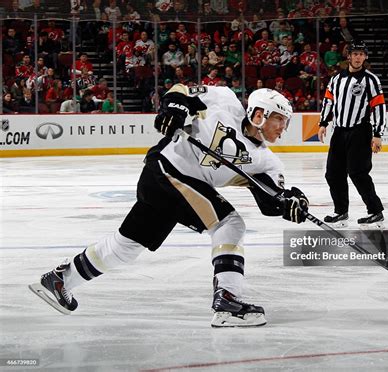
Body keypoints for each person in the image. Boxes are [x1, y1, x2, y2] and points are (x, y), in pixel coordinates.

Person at [29, 84, 309, 327]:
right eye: (280, 120)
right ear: (259, 115)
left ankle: (62, 279)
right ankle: (228, 300)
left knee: (126, 246)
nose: (284, 128)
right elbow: (181, 91)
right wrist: (174, 109)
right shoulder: (223, 101)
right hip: (165, 171)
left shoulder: (267, 162)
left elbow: (272, 200)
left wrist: (292, 202)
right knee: (229, 224)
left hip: (172, 187)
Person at [318, 40, 386, 228]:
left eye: (361, 54)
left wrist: (378, 133)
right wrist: (323, 122)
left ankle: (375, 211)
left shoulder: (370, 80)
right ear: (349, 56)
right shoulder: (336, 79)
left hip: (360, 131)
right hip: (339, 131)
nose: (357, 57)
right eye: (354, 54)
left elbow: (379, 107)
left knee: (358, 173)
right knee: (333, 174)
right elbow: (328, 101)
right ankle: (341, 211)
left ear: (365, 57)